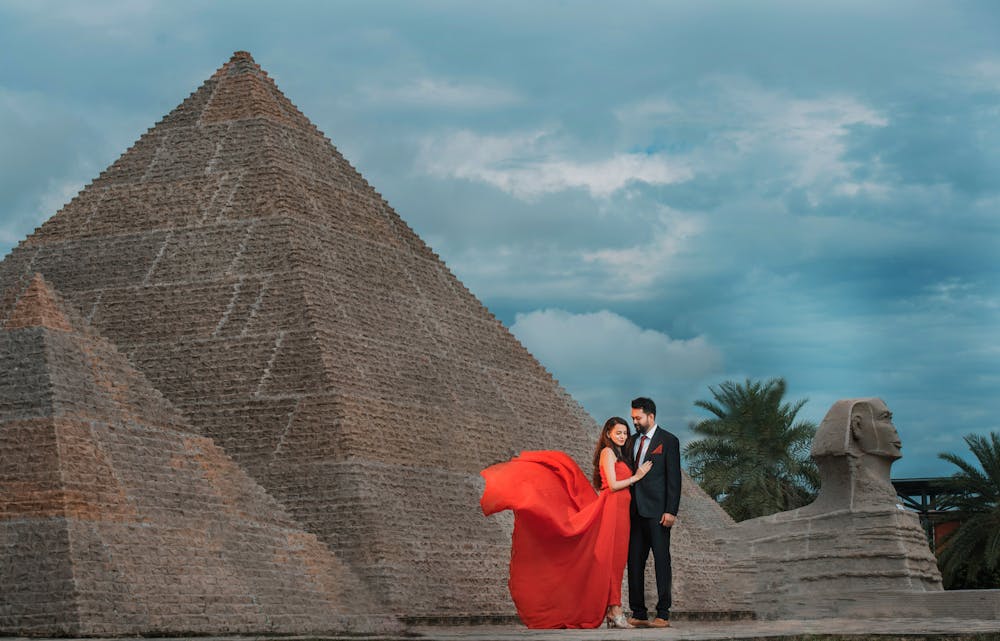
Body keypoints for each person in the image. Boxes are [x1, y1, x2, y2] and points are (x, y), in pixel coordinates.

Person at [480, 417, 652, 628]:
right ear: (608, 433)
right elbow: (613, 485)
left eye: (625, 433)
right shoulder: (607, 453)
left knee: (616, 562)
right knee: (610, 561)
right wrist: (637, 476)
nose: (623, 436)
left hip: (621, 512)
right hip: (611, 508)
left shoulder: (619, 454)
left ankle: (612, 609)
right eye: (619, 433)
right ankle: (615, 611)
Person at [626, 397, 681, 628]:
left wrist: (671, 510)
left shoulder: (668, 440)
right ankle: (638, 612)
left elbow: (674, 479)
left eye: (638, 418)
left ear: (651, 416)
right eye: (632, 418)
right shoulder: (630, 442)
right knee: (634, 562)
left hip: (658, 513)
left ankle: (663, 613)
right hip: (634, 512)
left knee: (661, 562)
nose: (635, 422)